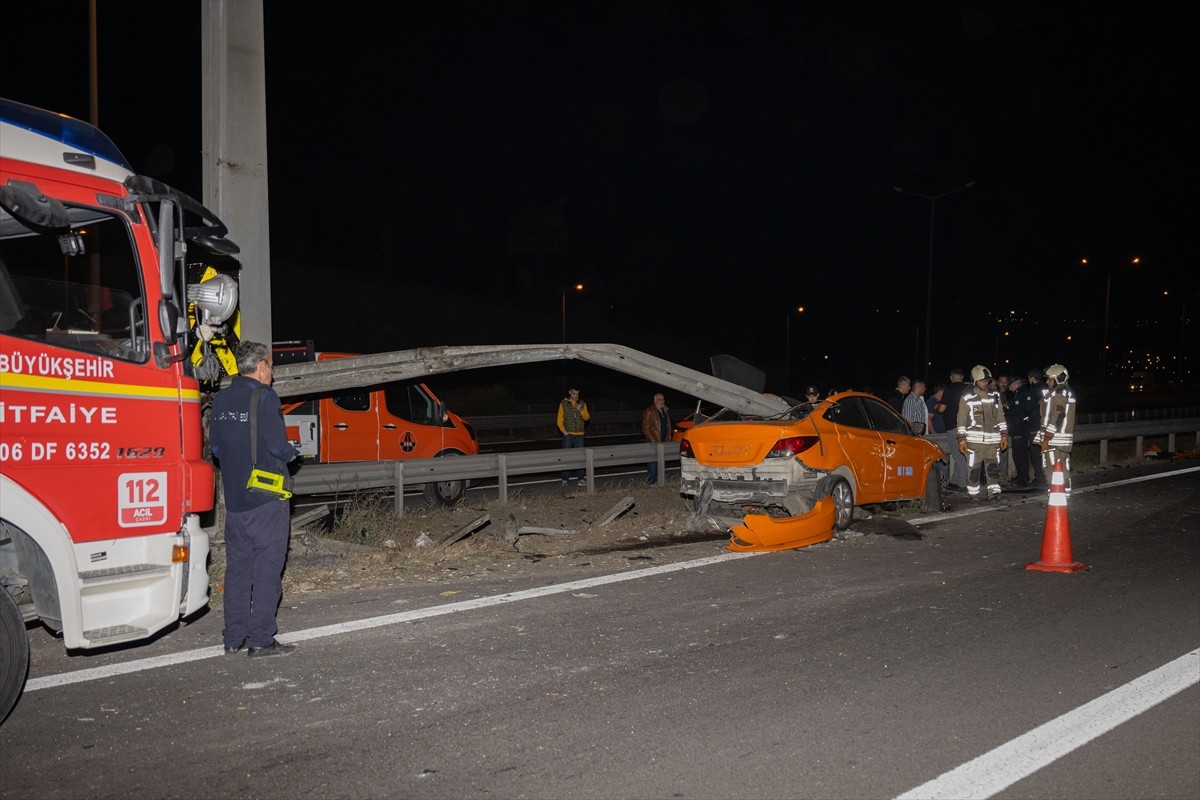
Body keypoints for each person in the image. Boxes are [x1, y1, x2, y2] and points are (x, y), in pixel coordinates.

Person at [209, 341, 299, 658]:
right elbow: (278, 448)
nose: (272, 373)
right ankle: (260, 639)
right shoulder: (264, 397)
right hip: (266, 500)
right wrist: (293, 451)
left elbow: (216, 450)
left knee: (237, 571)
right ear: (260, 365)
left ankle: (233, 638)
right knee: (267, 571)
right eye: (271, 366)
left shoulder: (220, 399)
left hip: (234, 501)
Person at [956, 365, 1009, 502]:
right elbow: (961, 420)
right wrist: (961, 440)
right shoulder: (967, 397)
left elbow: (1000, 417)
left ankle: (994, 494)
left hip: (992, 442)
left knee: (993, 469)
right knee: (973, 470)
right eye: (982, 381)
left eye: (987, 381)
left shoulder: (995, 395)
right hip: (974, 443)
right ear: (974, 381)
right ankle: (973, 495)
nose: (985, 383)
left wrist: (1004, 435)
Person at [1035, 364, 1077, 496]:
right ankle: (1064, 492)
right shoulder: (1064, 391)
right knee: (1062, 465)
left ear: (1058, 378)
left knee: (1053, 466)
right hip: (1059, 439)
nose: (1047, 382)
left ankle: (1057, 493)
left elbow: (1057, 416)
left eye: (1050, 379)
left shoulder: (1059, 394)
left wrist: (1047, 437)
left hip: (1054, 439)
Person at [938, 367, 969, 490]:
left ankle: (962, 485)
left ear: (951, 377)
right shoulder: (969, 389)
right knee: (958, 454)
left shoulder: (949, 388)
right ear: (962, 377)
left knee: (960, 456)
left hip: (954, 426)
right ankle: (955, 481)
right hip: (967, 426)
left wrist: (936, 407)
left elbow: (941, 409)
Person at [556, 385, 590, 486]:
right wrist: (563, 431)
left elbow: (587, 417)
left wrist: (581, 410)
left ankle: (581, 479)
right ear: (570, 392)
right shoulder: (563, 403)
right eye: (574, 393)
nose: (576, 396)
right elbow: (559, 420)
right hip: (568, 435)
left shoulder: (582, 403)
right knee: (567, 457)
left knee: (580, 457)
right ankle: (565, 479)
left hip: (579, 434)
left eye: (577, 394)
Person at [1021, 368, 1049, 488]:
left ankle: (1039, 479)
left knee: (1035, 453)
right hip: (1044, 424)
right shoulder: (1046, 389)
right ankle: (1045, 477)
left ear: (1033, 378)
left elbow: (1028, 407)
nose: (1028, 380)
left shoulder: (1034, 389)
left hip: (1035, 424)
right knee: (1043, 454)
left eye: (1029, 378)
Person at [641, 392, 672, 484]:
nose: (661, 401)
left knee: (661, 462)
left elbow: (668, 426)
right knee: (652, 463)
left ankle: (660, 481)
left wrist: (668, 438)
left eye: (663, 399)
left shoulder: (665, 410)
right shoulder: (649, 411)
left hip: (662, 441)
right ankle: (652, 482)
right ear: (655, 401)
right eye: (659, 399)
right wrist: (652, 439)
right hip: (652, 442)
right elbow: (645, 427)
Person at [994, 374, 1013, 480]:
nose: (1003, 384)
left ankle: (1003, 476)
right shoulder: (993, 393)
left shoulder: (1010, 394)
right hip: (994, 428)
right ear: (997, 382)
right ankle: (994, 476)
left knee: (1004, 452)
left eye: (1006, 382)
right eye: (1001, 382)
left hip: (1006, 428)